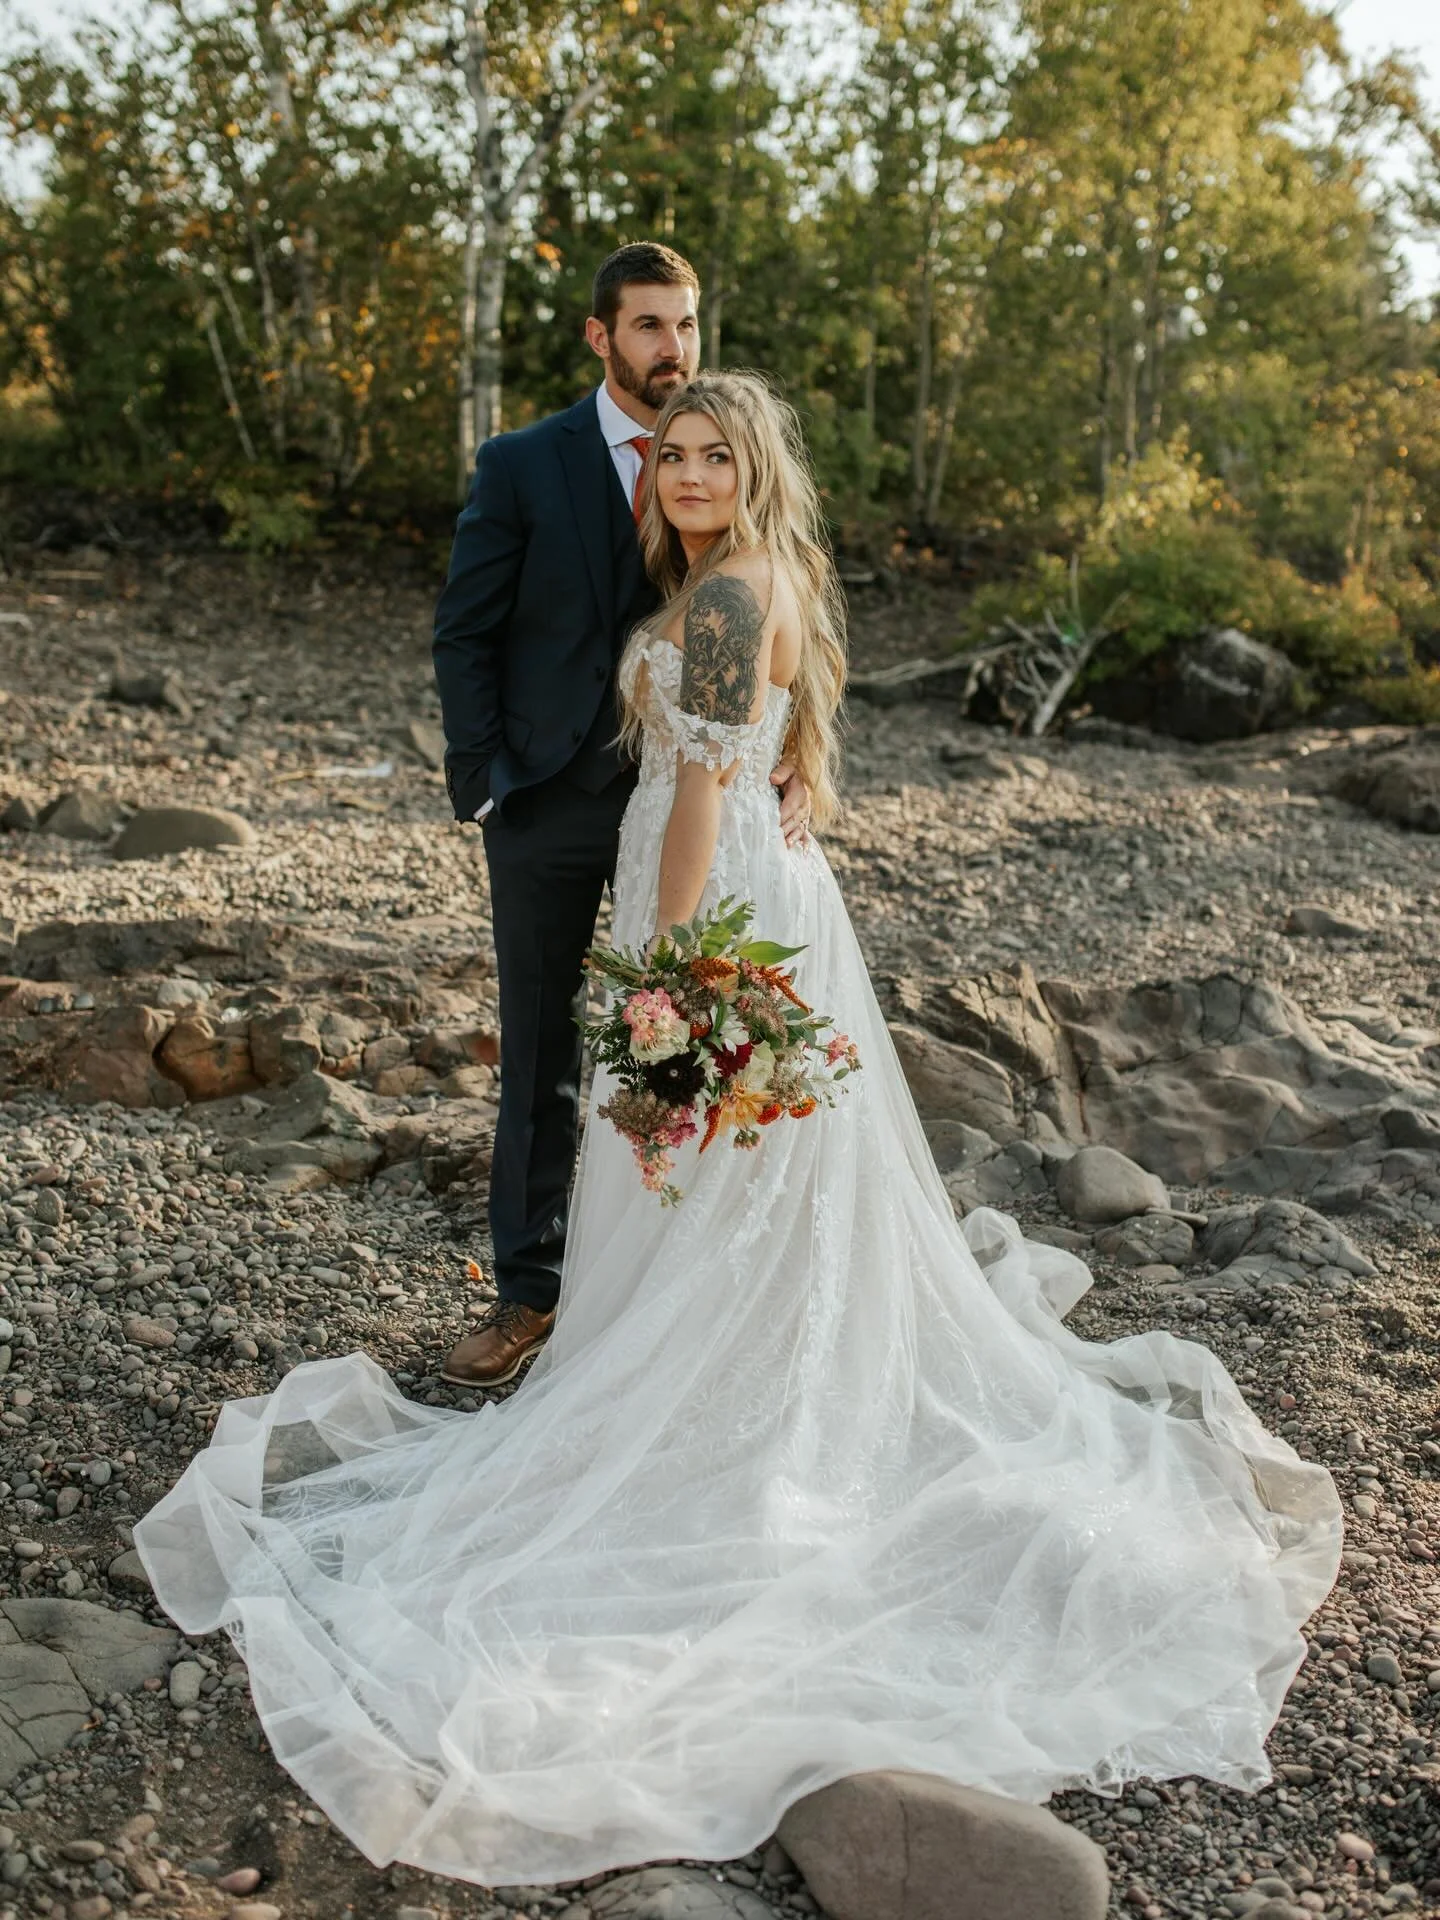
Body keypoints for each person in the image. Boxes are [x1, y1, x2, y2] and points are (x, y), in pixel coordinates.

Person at [134, 371, 1342, 1893]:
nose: (690, 470)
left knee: (698, 1160)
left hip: (715, 918)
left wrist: (674, 974)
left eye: (719, 454)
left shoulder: (720, 603)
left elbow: (702, 784)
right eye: (678, 452)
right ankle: (739, 1381)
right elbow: (759, 756)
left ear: (756, 467)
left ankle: (711, 1418)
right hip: (764, 900)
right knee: (748, 1185)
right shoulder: (749, 583)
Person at [431, 242, 810, 1391]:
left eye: (686, 324)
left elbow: (776, 631)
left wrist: (789, 757)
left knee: (687, 1040)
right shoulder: (523, 461)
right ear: (602, 336)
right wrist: (485, 773)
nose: (672, 347)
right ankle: (534, 1294)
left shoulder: (724, 465)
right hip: (547, 798)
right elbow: (466, 627)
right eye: (648, 326)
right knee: (546, 1048)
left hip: (683, 807)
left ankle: (674, 1294)